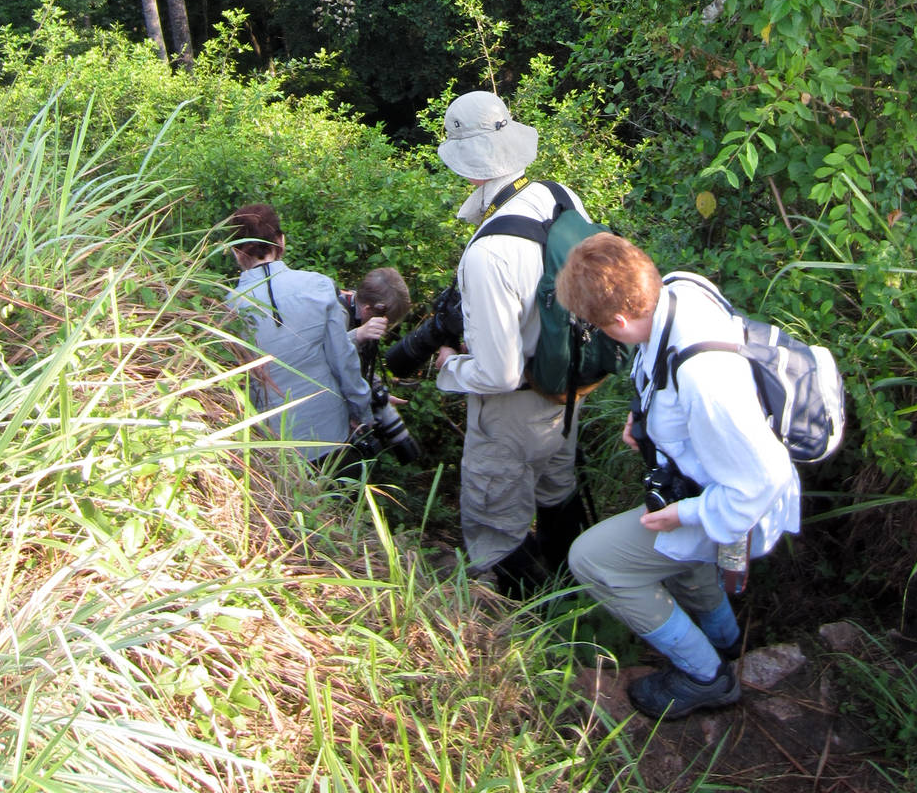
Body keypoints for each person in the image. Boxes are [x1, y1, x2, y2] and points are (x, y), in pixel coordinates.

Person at [557, 233, 801, 720]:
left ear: (619, 321)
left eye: (599, 327)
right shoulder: (677, 291)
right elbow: (660, 371)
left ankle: (706, 677)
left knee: (592, 559)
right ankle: (726, 639)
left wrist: (685, 515)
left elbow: (764, 479)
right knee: (679, 557)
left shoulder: (706, 379)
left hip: (739, 506)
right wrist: (643, 419)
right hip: (703, 484)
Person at [433, 89, 591, 594]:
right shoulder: (560, 196)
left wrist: (448, 366)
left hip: (513, 408)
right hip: (567, 388)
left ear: (468, 166)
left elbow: (497, 374)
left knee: (495, 528)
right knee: (557, 489)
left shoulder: (488, 252)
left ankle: (535, 623)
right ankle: (578, 595)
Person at [224, 202, 373, 467]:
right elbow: (343, 359)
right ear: (281, 241)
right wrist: (362, 412)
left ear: (236, 253)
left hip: (274, 446)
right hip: (330, 431)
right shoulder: (318, 285)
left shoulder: (229, 309)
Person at [340, 266, 413, 349]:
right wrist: (357, 335)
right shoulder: (339, 314)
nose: (384, 329)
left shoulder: (359, 299)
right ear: (366, 310)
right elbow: (329, 351)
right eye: (386, 322)